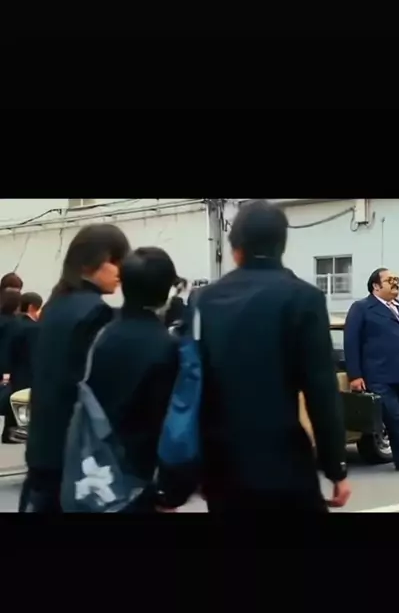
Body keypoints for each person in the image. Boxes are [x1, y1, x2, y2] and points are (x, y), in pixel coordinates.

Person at [193, 199, 351, 512]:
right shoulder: (304, 298)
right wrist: (336, 466)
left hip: (223, 466)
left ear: (236, 248)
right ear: (282, 244)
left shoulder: (204, 300)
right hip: (285, 462)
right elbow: (321, 390)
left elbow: (192, 385)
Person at [20, 224, 130, 513]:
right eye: (114, 260)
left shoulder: (54, 306)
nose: (120, 270)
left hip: (43, 445)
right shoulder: (96, 312)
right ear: (88, 262)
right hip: (76, 450)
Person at [86, 247, 180, 511]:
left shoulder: (102, 335)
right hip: (141, 476)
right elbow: (166, 424)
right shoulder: (166, 346)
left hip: (97, 467)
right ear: (165, 291)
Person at [344, 268, 399, 475]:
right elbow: (351, 342)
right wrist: (355, 375)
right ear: (376, 286)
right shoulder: (362, 308)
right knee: (395, 418)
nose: (395, 284)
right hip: (379, 375)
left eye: (396, 280)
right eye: (390, 280)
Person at [8, 291, 43, 395]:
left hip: (12, 373)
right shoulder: (33, 328)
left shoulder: (12, 323)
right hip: (26, 376)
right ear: (31, 307)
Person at [0, 288, 22, 443]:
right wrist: (6, 372)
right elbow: (8, 348)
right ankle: (9, 433)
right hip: (6, 366)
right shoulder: (15, 324)